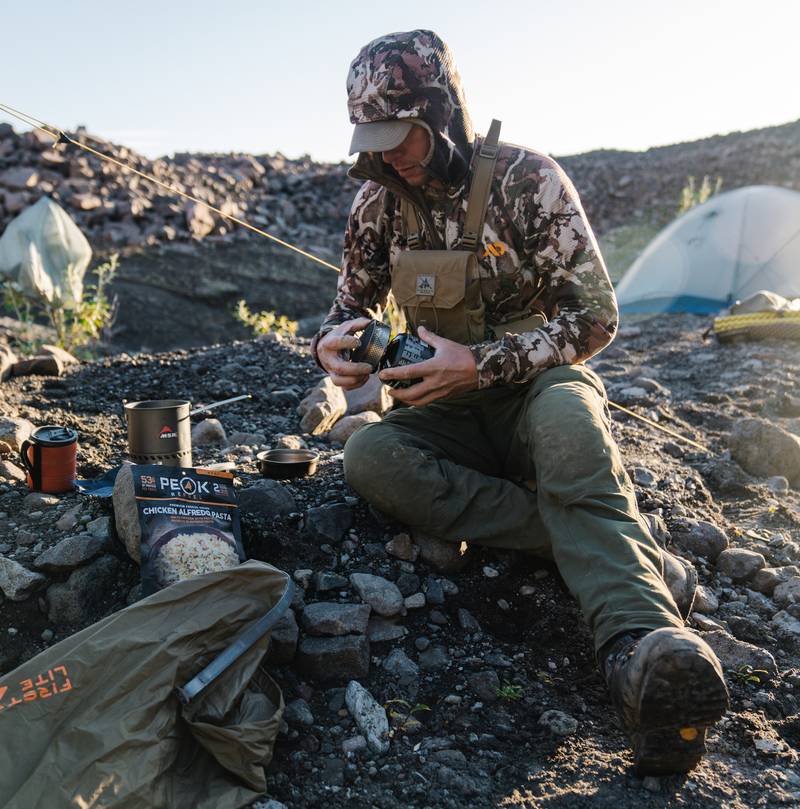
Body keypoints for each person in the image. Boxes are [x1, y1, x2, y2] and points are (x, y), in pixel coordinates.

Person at [311, 29, 728, 775]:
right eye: (370, 138)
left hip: (535, 392)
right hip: (439, 412)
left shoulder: (528, 180)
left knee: (573, 427)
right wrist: (334, 350)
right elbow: (346, 310)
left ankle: (641, 655)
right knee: (371, 454)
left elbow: (598, 316)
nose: (385, 154)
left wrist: (483, 362)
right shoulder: (376, 205)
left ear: (438, 112)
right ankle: (624, 552)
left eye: (397, 134)